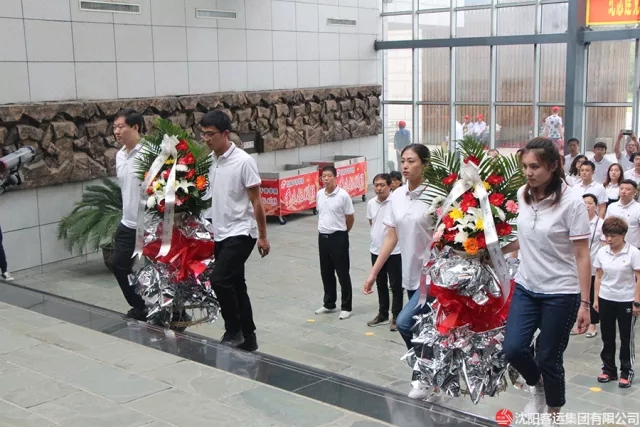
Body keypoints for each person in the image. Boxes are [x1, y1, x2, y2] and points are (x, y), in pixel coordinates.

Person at [501, 137, 591, 417]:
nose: (528, 172)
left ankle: (553, 414)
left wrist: (585, 303)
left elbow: (582, 254)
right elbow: (526, 237)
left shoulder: (572, 202)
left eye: (535, 167)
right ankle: (537, 385)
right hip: (527, 286)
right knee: (513, 348)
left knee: (549, 357)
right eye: (525, 166)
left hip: (561, 292)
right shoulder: (522, 194)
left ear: (553, 166)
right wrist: (494, 251)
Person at [362, 143, 434, 400]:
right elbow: (391, 236)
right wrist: (374, 272)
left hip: (433, 276)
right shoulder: (397, 195)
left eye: (411, 161)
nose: (405, 166)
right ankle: (431, 375)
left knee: (405, 323)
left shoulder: (437, 194)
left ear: (424, 164)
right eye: (403, 160)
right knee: (421, 329)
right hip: (410, 274)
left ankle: (425, 376)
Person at [202, 110, 270, 350]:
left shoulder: (244, 161)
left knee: (219, 280)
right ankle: (249, 337)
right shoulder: (211, 160)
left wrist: (263, 236)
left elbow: (257, 202)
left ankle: (233, 330)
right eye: (204, 134)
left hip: (242, 231)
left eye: (211, 134)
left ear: (225, 134)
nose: (206, 139)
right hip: (220, 231)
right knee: (236, 284)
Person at [593, 216, 640, 388]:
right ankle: (608, 369)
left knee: (626, 337)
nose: (609, 239)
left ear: (623, 235)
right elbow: (598, 276)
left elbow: (638, 277)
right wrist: (596, 298)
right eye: (607, 235)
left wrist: (637, 302)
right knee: (607, 336)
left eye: (613, 236)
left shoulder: (633, 252)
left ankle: (626, 371)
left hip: (626, 299)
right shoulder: (602, 252)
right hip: (606, 297)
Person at [112, 109, 148, 321]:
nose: (116, 131)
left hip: (151, 224)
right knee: (119, 265)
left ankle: (176, 311)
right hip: (128, 223)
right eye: (114, 127)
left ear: (135, 127)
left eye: (121, 126)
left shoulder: (151, 154)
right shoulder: (119, 155)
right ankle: (140, 306)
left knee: (162, 270)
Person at [315, 165, 355, 320]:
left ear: (335, 177)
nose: (326, 179)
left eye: (329, 176)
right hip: (323, 237)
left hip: (338, 237)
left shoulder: (343, 195)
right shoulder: (320, 194)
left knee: (342, 272)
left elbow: (350, 217)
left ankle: (346, 306)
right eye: (323, 176)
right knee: (326, 272)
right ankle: (329, 303)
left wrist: (343, 232)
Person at [365, 174, 403, 330]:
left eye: (382, 185)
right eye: (376, 185)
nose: (379, 188)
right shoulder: (371, 203)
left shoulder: (396, 202)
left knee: (396, 285)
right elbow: (372, 222)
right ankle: (382, 314)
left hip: (395, 251)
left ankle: (397, 316)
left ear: (390, 186)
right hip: (375, 249)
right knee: (380, 283)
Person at [570, 194, 605, 337]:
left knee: (592, 294)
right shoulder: (575, 221)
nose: (587, 206)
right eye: (585, 203)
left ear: (596, 206)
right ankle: (578, 322)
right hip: (576, 263)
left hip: (594, 263)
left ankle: (593, 324)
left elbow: (604, 245)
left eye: (590, 203)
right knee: (578, 294)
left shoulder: (601, 223)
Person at [605, 179, 640, 250]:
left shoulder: (638, 208)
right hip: (613, 247)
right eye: (621, 189)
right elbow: (606, 227)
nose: (623, 191)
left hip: (633, 248)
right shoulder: (611, 207)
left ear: (635, 192)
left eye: (628, 189)